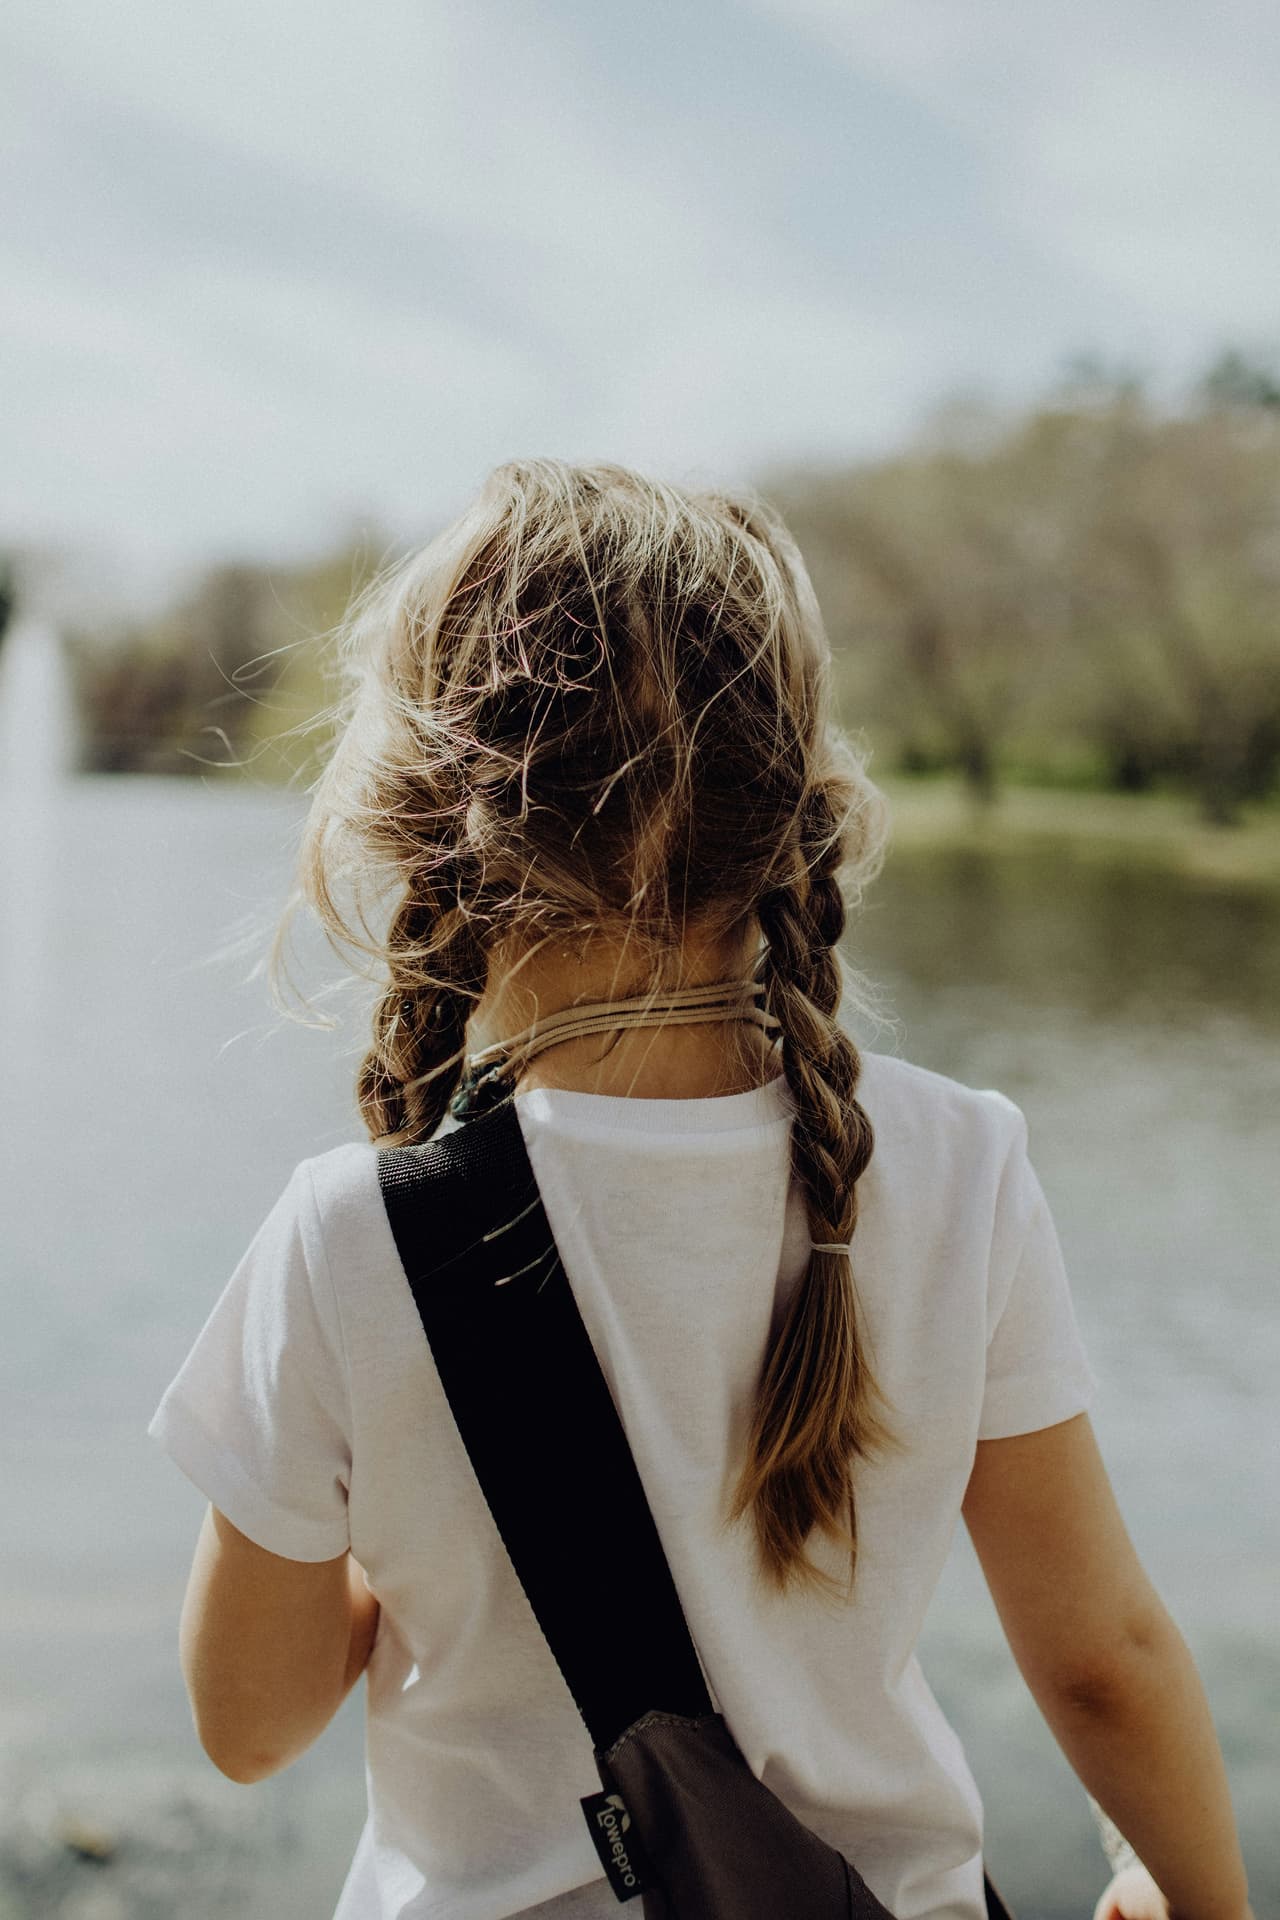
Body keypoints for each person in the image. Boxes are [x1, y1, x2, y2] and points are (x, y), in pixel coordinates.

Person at [147, 459, 1253, 1920]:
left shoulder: (350, 1238)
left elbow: (250, 1724)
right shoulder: (956, 1163)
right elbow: (1102, 1655)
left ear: (429, 815)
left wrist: (416, 1507)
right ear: (787, 803)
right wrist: (1199, 1898)